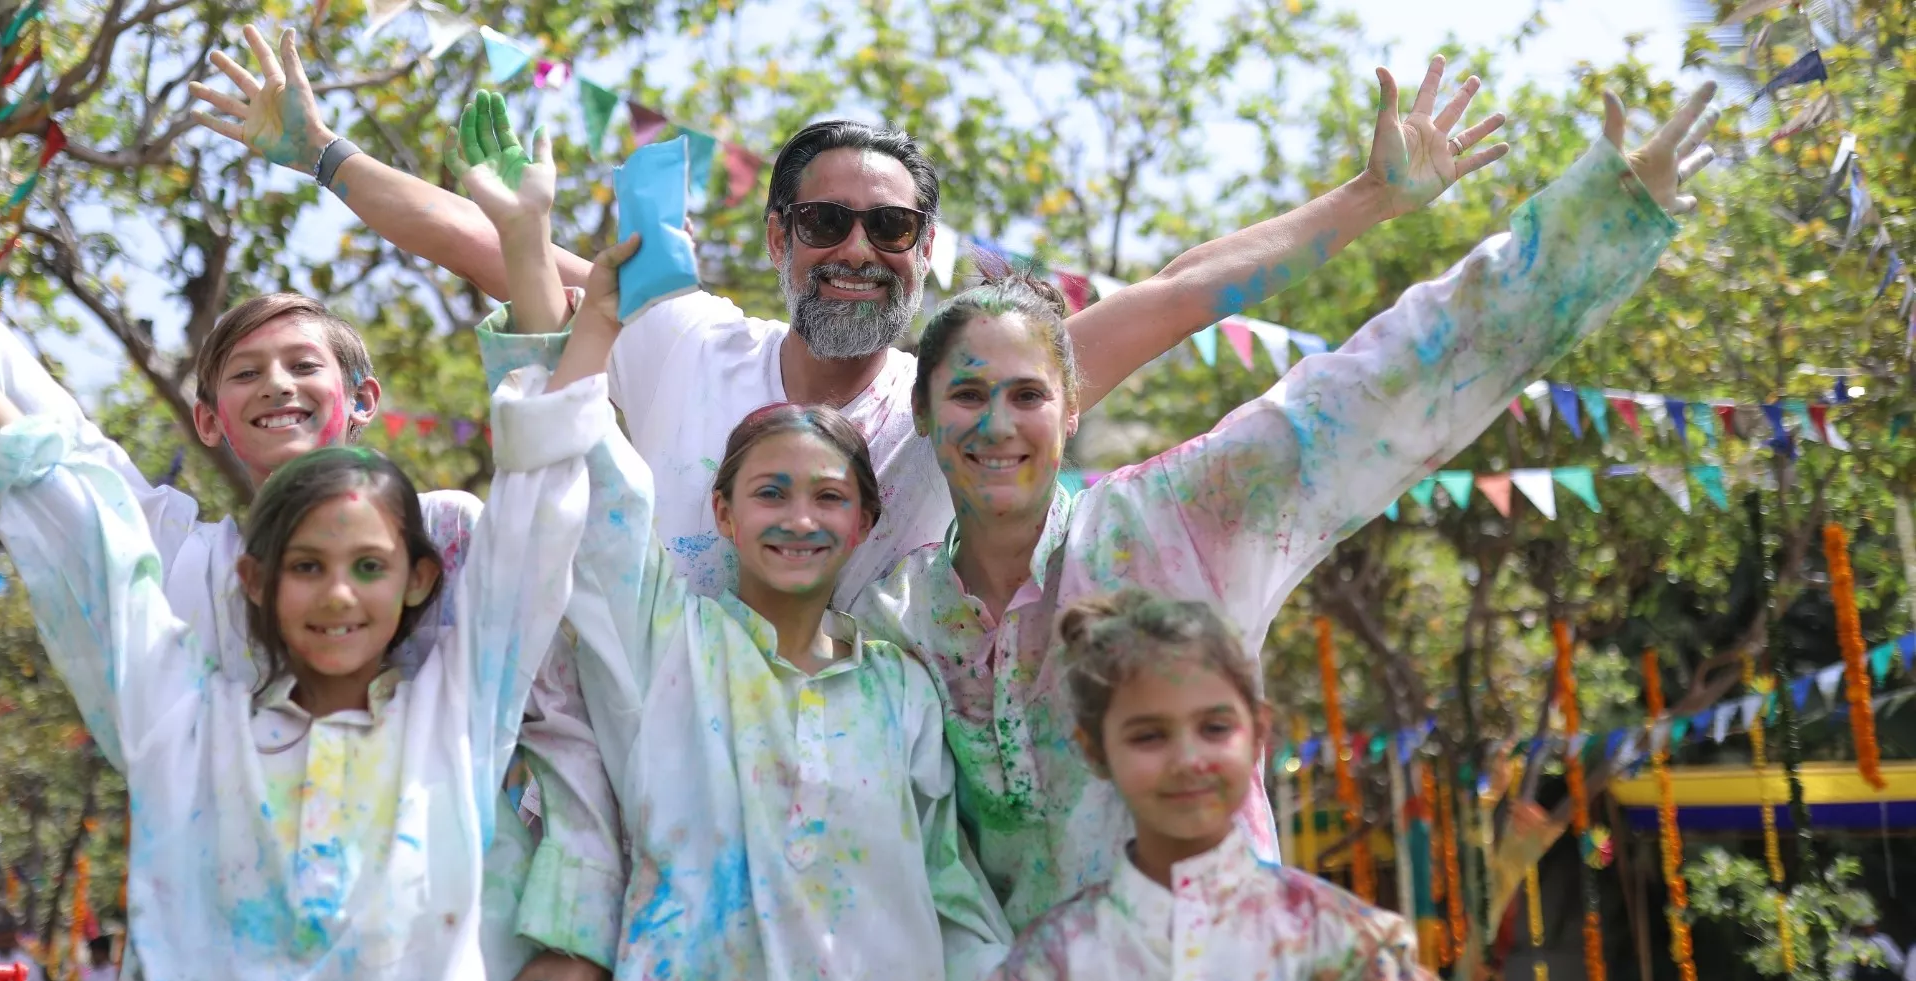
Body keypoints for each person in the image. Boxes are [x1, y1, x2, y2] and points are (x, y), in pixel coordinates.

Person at [198, 29, 1511, 609]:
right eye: (822, 221)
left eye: (888, 228)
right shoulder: (681, 340)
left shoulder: (963, 406)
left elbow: (1173, 296)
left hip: (873, 837)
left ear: (923, 252)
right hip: (664, 819)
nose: (853, 250)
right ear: (776, 239)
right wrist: (321, 153)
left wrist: (1367, 199)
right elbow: (485, 238)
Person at [849, 84, 1720, 929]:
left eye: (1028, 395)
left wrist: (1594, 223)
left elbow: (1386, 378)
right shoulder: (894, 617)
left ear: (1071, 411)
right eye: (967, 395)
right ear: (922, 412)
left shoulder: (1170, 522)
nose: (997, 424)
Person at [0, 168, 614, 981]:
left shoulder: (451, 555)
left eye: (302, 364)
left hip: (457, 953)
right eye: (245, 372)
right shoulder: (181, 609)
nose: (338, 597)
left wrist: (580, 936)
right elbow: (62, 473)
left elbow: (559, 675)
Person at [477, 135, 1010, 981]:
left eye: (828, 496)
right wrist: (533, 251)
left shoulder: (903, 692)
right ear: (720, 512)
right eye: (770, 491)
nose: (800, 518)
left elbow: (951, 899)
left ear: (867, 521)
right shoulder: (665, 649)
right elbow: (570, 460)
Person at [974, 589, 1465, 981]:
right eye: (1149, 735)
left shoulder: (1341, 941)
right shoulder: (1052, 968)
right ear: (1096, 751)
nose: (1188, 760)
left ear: (1258, 734)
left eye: (1214, 728)